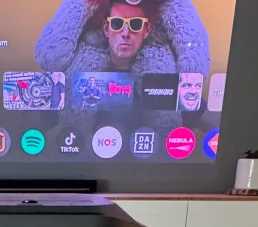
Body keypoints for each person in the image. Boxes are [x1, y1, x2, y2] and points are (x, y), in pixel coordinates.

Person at [35, 0, 210, 134]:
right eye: (117, 24)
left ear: (147, 29)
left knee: (161, 84)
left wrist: (192, 70)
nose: (125, 33)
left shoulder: (164, 79)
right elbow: (51, 56)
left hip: (153, 163)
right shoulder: (79, 75)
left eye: (135, 24)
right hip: (85, 162)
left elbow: (190, 37)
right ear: (106, 27)